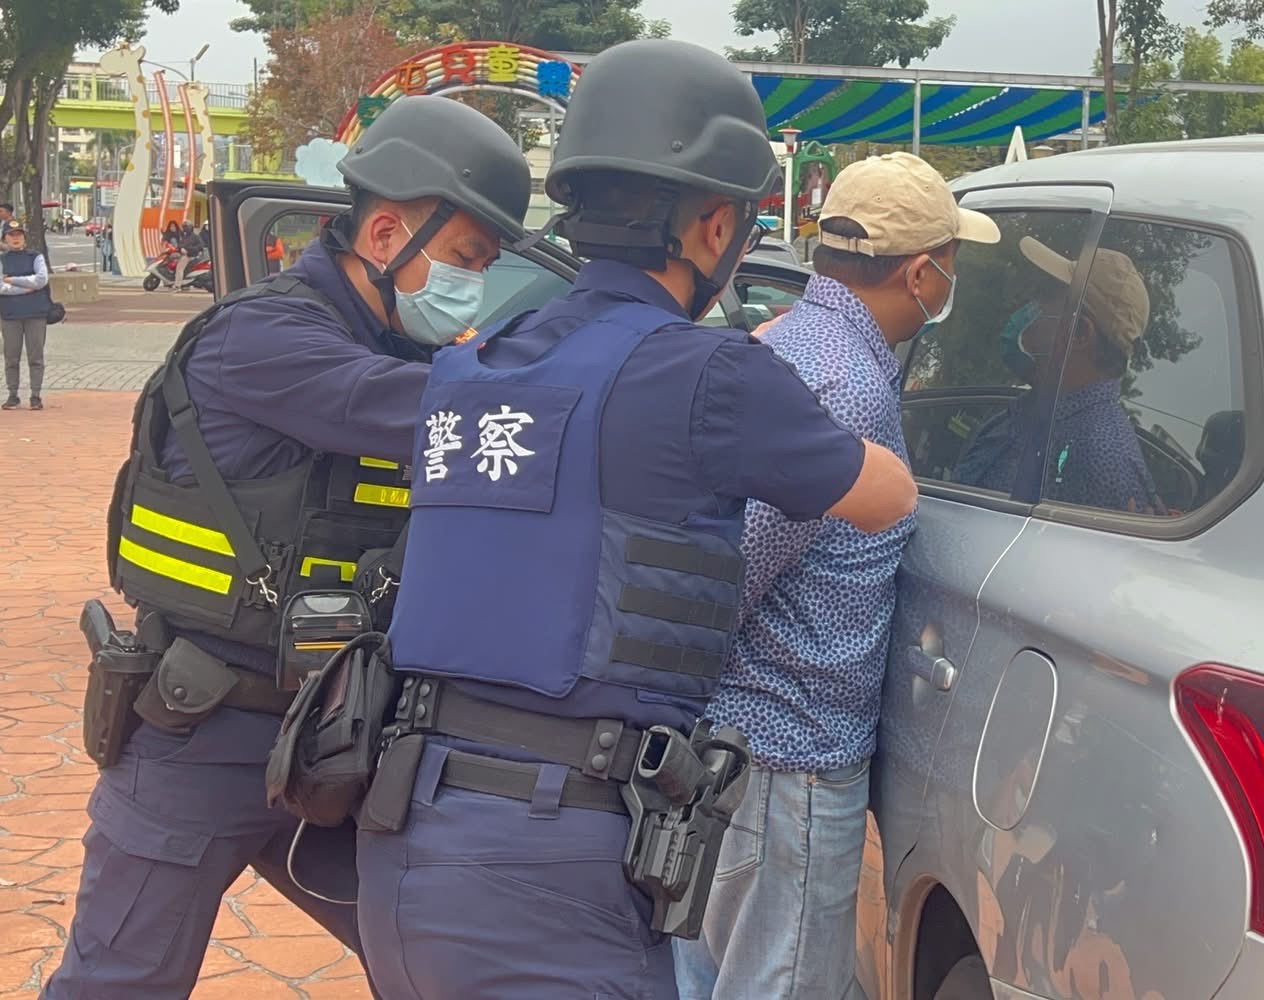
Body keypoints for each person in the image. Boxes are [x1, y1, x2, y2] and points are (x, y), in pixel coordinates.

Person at [353, 38, 918, 1000]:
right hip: (558, 859)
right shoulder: (712, 371)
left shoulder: (473, 364)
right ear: (715, 225)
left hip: (407, 838)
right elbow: (886, 495)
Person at [44, 94, 533, 999]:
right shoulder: (263, 336)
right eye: (467, 259)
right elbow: (416, 411)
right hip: (203, 724)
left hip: (342, 733)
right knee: (120, 980)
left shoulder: (400, 343)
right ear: (384, 233)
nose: (474, 283)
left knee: (445, 966)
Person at [674, 152, 1000, 1000]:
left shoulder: (784, 341)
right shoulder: (843, 387)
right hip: (787, 763)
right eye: (950, 266)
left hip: (735, 751)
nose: (949, 285)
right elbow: (732, 573)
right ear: (920, 274)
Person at [954, 238, 1164, 514]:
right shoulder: (1036, 411)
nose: (1029, 310)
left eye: (1045, 300)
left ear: (1079, 333)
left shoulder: (1101, 459)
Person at [0, 219, 52, 410]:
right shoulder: (2, 260)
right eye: (11, 235)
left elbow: (41, 280)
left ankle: (35, 395)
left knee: (35, 357)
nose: (16, 238)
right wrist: (25, 288)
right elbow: (1, 287)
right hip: (10, 315)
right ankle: (12, 395)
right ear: (4, 239)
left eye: (19, 235)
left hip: (35, 313)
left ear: (24, 238)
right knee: (11, 358)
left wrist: (12, 280)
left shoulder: (35, 257)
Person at [174, 220, 207, 290]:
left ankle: (177, 285)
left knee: (179, 268)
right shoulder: (184, 236)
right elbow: (179, 245)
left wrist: (188, 250)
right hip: (182, 254)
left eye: (186, 227)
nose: (185, 228)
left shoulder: (195, 237)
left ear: (191, 227)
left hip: (190, 256)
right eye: (184, 227)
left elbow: (200, 246)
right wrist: (181, 248)